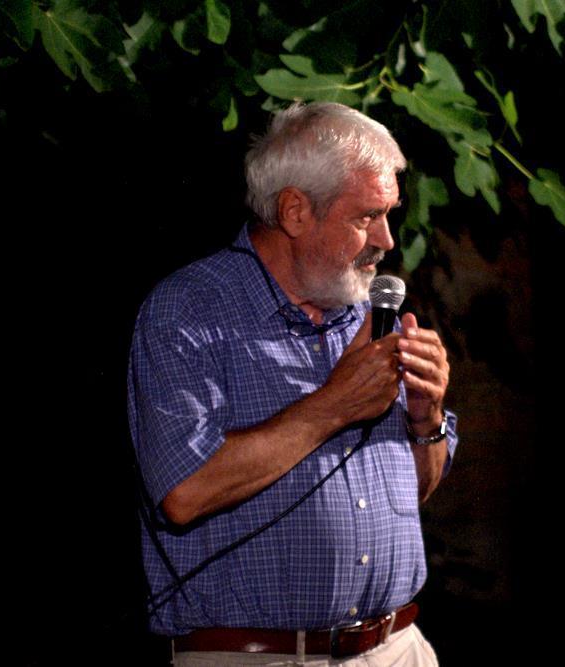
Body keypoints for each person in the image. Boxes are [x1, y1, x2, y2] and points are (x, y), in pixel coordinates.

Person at [127, 101, 457, 666]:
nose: (386, 239)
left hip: (399, 648)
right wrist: (332, 407)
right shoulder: (188, 310)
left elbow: (414, 493)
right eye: (366, 217)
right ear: (295, 211)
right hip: (263, 657)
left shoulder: (364, 312)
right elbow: (183, 493)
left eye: (388, 215)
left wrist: (426, 421)